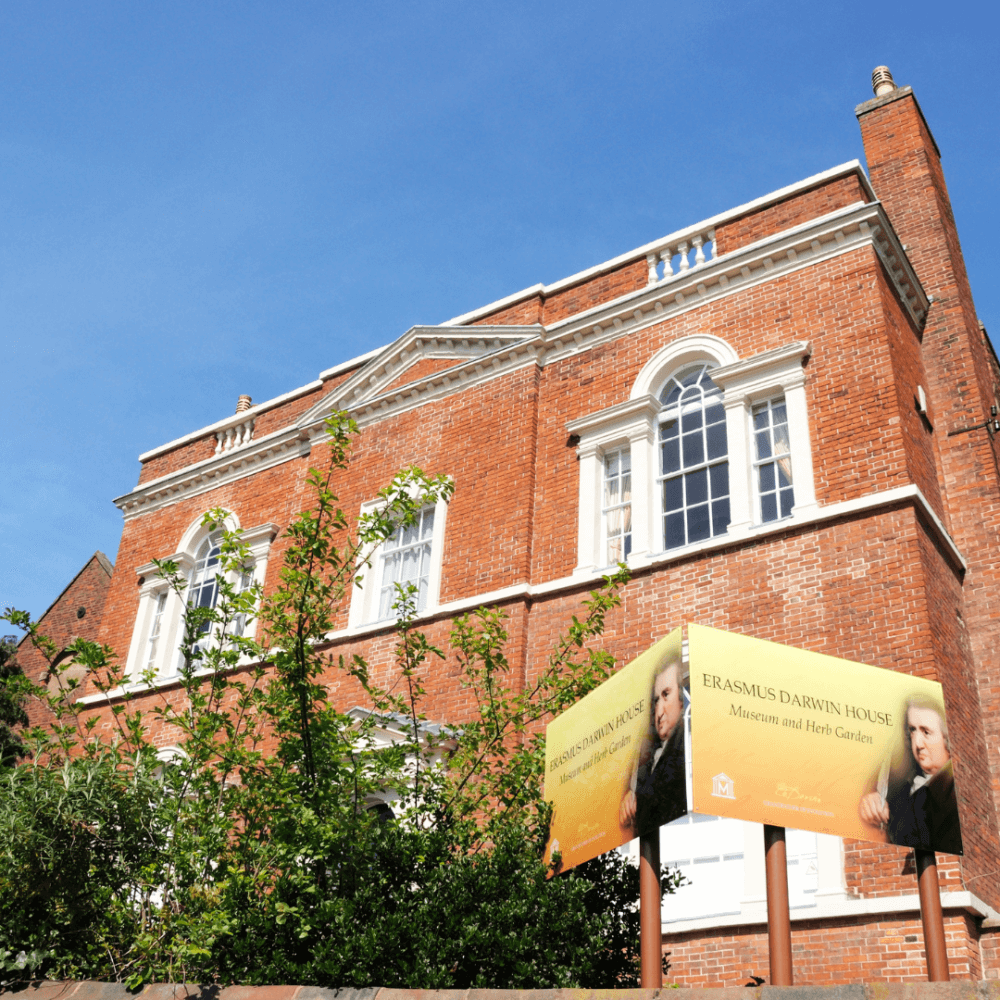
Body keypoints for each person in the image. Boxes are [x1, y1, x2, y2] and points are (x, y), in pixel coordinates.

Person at [857, 695, 962, 855]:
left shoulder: (956, 794)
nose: (918, 744)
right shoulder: (901, 789)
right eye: (913, 730)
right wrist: (869, 807)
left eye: (926, 732)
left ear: (946, 737)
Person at [619, 656, 688, 837]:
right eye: (656, 700)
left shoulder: (687, 742)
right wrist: (630, 794)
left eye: (666, 695)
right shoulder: (648, 751)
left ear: (682, 699)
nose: (659, 712)